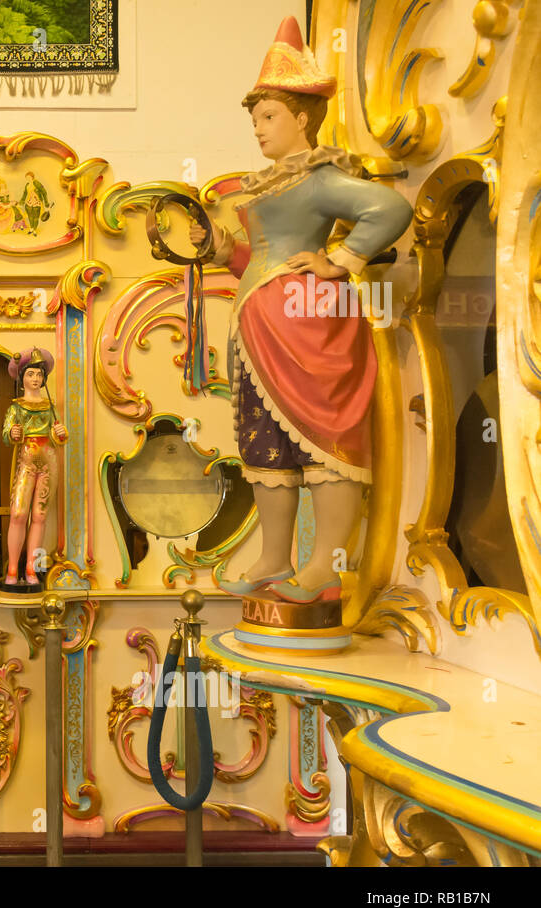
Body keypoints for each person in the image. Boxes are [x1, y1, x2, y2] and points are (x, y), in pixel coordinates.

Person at [203, 17, 413, 603]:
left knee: (322, 439)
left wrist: (341, 259)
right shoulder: (267, 186)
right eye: (254, 117)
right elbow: (265, 261)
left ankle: (324, 564)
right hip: (261, 326)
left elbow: (388, 209)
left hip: (308, 325)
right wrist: (227, 254)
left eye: (268, 115)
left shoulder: (320, 178)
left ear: (302, 118)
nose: (258, 127)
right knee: (267, 443)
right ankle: (275, 556)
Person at [1, 347, 68, 586]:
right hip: (26, 460)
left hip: (48, 460)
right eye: (31, 374)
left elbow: (59, 435)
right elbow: (7, 436)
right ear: (23, 379)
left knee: (39, 515)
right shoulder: (16, 407)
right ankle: (12, 569)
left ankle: (31, 568)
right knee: (19, 513)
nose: (35, 379)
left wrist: (60, 433)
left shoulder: (50, 407)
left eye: (39, 375)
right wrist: (13, 432)